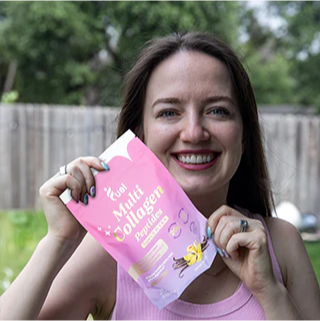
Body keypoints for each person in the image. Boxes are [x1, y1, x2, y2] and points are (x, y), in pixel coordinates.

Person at [0, 32, 319, 321]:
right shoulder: (110, 255)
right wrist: (58, 241)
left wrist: (270, 292)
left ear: (244, 134)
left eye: (217, 110)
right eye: (169, 112)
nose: (194, 132)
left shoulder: (281, 245)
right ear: (140, 135)